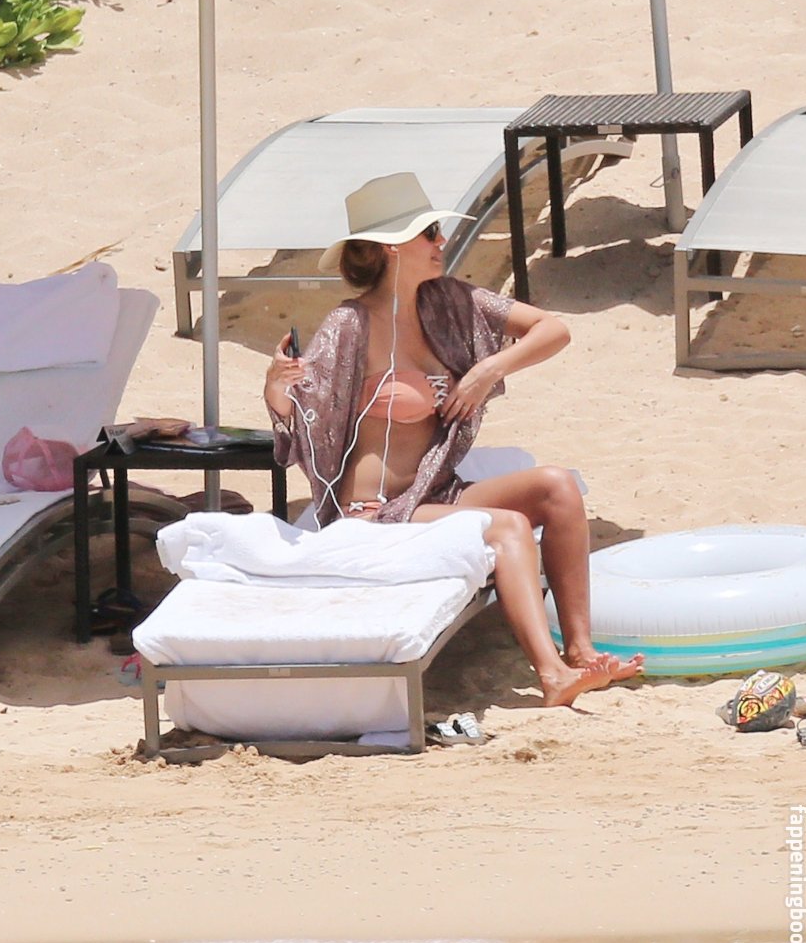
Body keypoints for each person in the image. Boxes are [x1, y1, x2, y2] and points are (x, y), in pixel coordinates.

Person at [264, 172, 642, 707]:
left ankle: (579, 652)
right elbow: (303, 417)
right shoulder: (350, 325)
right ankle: (551, 674)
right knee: (507, 526)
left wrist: (488, 369)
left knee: (558, 487)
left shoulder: (451, 302)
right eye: (429, 233)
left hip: (436, 492)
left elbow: (552, 330)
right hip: (374, 512)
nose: (441, 241)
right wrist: (275, 388)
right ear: (392, 247)